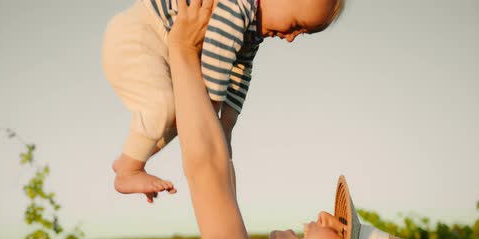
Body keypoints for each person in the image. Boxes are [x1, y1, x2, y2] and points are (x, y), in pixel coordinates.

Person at [167, 0, 412, 239]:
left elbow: (207, 175)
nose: (326, 216)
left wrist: (182, 48)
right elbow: (219, 185)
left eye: (341, 232)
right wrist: (221, 131)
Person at [102, 0, 345, 203]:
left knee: (183, 116)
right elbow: (214, 66)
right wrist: (212, 120)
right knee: (165, 107)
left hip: (163, 43)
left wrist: (227, 125)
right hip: (139, 33)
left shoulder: (252, 31)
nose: (291, 38)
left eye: (300, 34)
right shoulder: (237, 6)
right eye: (295, 25)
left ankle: (129, 159)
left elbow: (241, 71)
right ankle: (129, 170)